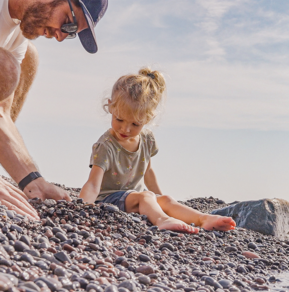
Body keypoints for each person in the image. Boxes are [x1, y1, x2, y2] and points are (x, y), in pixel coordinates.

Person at [80, 68, 236, 233]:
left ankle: (203, 218)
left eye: (135, 124)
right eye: (119, 119)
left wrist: (161, 201)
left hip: (136, 197)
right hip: (109, 200)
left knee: (165, 199)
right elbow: (92, 184)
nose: (125, 128)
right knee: (146, 197)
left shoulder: (146, 139)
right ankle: (162, 220)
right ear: (110, 106)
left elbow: (147, 172)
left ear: (147, 119)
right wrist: (81, 209)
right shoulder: (106, 145)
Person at [0, 0, 108, 219]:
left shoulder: (17, 37)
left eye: (70, 34)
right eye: (69, 24)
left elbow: (2, 112)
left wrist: (32, 180)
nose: (60, 37)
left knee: (28, 59)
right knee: (6, 67)